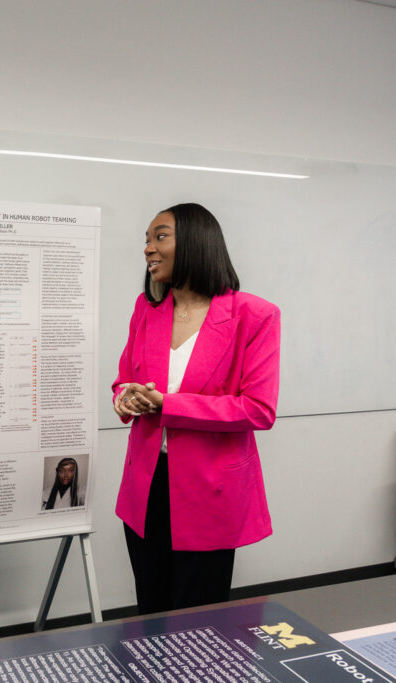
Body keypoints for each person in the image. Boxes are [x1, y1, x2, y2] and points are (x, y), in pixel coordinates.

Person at [112, 202, 280, 615]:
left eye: (160, 237)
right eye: (147, 240)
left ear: (196, 241)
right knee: (150, 607)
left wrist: (166, 405)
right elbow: (124, 378)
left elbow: (258, 409)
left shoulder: (254, 315)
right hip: (148, 484)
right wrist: (124, 397)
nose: (149, 249)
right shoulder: (146, 311)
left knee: (198, 619)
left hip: (210, 490)